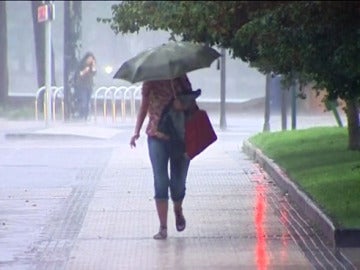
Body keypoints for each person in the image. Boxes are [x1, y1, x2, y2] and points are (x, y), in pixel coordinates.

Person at [130, 75, 195, 240]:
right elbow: (144, 106)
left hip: (181, 137)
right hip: (156, 136)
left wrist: (181, 103)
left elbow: (192, 104)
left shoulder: (181, 78)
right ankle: (163, 227)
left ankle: (178, 210)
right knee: (160, 181)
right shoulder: (150, 80)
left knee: (178, 183)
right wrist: (136, 131)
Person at [74, 52, 96, 120]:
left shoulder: (91, 66)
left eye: (91, 59)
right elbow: (78, 74)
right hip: (82, 86)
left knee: (88, 101)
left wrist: (94, 66)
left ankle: (86, 115)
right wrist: (84, 71)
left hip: (89, 86)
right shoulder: (81, 65)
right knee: (84, 100)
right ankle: (82, 114)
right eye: (89, 59)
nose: (90, 60)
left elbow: (94, 73)